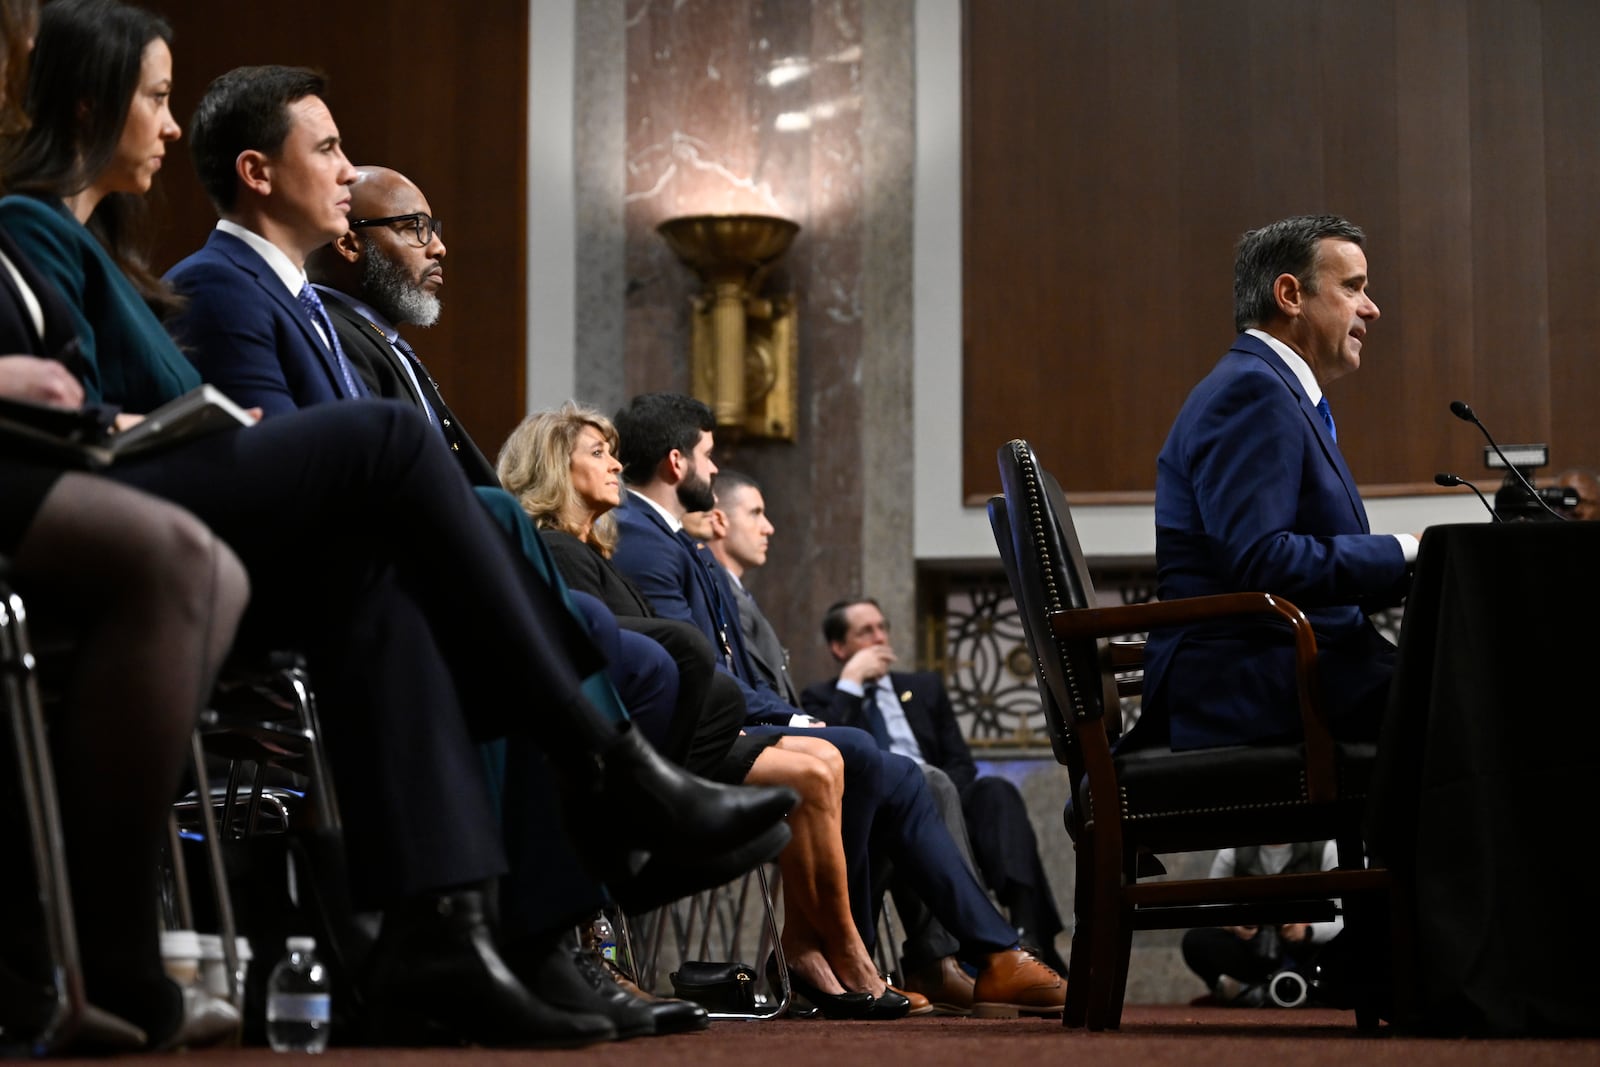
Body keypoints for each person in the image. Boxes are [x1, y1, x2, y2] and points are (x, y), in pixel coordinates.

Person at [0, 2, 794, 1046]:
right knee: (395, 451)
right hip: (118, 499)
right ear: (95, 102)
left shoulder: (121, 260)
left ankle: (446, 930)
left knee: (386, 586)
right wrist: (120, 411)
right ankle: (611, 767)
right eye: (153, 96)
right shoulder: (38, 227)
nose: (165, 122)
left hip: (180, 493)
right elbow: (73, 400)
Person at [606, 391, 1068, 1019]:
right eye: (709, 457)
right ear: (676, 461)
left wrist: (794, 717)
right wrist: (795, 719)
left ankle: (985, 955)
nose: (715, 471)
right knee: (853, 749)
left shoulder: (673, 540)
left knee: (900, 770)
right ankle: (840, 952)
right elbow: (698, 674)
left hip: (724, 725)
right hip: (686, 742)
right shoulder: (643, 540)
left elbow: (729, 668)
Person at [497, 402, 921, 1019]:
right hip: (641, 749)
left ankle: (819, 949)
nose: (616, 463)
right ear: (553, 469)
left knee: (826, 761)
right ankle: (841, 956)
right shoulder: (558, 551)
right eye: (597, 453)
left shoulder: (597, 552)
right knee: (815, 768)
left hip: (677, 731)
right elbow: (611, 666)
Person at [1135, 215, 1415, 753]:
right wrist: (1404, 550)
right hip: (1251, 682)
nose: (1371, 308)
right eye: (1353, 287)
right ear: (1290, 294)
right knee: (1481, 701)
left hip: (1284, 662)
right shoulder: (1253, 393)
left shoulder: (1270, 389)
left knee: (1475, 685)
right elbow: (1262, 561)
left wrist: (1418, 565)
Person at [802, 595, 1070, 993]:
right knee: (914, 792)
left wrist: (943, 811)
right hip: (879, 812)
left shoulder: (922, 687)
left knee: (995, 791)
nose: (879, 638)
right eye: (864, 632)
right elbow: (829, 756)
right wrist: (851, 685)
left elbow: (960, 762)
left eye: (882, 627)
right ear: (839, 648)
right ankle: (980, 954)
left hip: (946, 800)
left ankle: (1029, 936)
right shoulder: (823, 700)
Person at [1181, 842, 1342, 1007]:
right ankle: (1295, 991)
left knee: (1343, 948)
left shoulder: (1325, 850)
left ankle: (1253, 992)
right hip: (1253, 949)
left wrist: (1308, 931)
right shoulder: (1232, 853)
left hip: (1304, 950)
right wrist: (1233, 924)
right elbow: (1209, 907)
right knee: (1195, 941)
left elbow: (1344, 916)